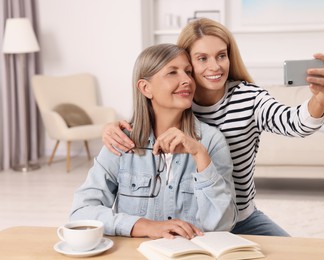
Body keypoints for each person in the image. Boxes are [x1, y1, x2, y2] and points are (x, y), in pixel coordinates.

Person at [102, 18, 324, 236]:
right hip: (194, 218)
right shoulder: (180, 98)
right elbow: (147, 118)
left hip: (240, 216)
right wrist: (112, 128)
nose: (215, 66)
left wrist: (319, 100)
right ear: (187, 61)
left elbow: (295, 123)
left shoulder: (248, 98)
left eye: (221, 56)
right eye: (202, 58)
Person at [70, 43, 237, 239]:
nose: (187, 80)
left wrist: (200, 155)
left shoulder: (210, 141)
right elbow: (81, 212)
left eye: (188, 72)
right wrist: (145, 226)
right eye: (172, 73)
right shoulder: (121, 140)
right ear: (145, 88)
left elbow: (224, 224)